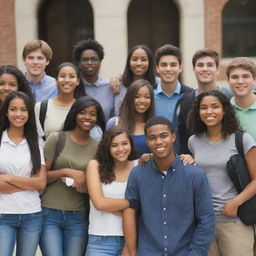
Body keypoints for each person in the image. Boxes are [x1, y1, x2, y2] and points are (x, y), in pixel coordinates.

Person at [123, 116, 215, 256]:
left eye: (164, 136)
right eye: (152, 138)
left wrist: (195, 253)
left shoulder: (195, 175)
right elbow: (131, 212)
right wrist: (132, 251)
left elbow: (206, 220)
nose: (158, 142)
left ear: (173, 136)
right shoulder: (137, 174)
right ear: (147, 141)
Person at [188, 90, 256, 256]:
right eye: (203, 108)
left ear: (224, 110)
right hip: (204, 223)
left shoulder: (242, 139)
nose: (209, 112)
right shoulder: (193, 141)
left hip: (235, 222)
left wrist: (235, 202)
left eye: (215, 106)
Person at [39, 96, 105, 256]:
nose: (87, 117)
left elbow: (99, 185)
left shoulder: (98, 147)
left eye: (92, 114)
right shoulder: (57, 138)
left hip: (78, 216)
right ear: (75, 114)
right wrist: (65, 171)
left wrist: (86, 188)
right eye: (83, 112)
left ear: (97, 118)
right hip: (49, 213)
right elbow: (40, 179)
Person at [0, 92, 46, 256]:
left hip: (31, 214)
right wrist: (28, 183)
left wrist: (8, 178)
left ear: (29, 113)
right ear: (6, 112)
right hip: (3, 214)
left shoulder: (35, 143)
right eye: (13, 109)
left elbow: (41, 183)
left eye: (23, 110)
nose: (18, 114)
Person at [86, 126, 137, 255]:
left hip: (132, 241)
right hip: (100, 240)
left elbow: (146, 206)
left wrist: (115, 207)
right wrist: (132, 204)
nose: (121, 149)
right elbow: (99, 203)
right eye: (114, 145)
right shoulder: (95, 166)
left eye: (125, 143)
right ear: (107, 147)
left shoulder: (139, 166)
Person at [175, 48, 232, 154]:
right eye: (200, 65)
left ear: (218, 69)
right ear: (193, 69)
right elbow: (181, 139)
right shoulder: (185, 101)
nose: (205, 69)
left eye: (210, 65)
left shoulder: (230, 97)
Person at [34, 62, 85, 139]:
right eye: (62, 76)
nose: (67, 80)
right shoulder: (41, 107)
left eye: (72, 76)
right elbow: (36, 139)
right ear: (56, 80)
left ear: (78, 81)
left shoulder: (83, 108)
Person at [106, 79, 154, 158]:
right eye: (137, 97)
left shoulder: (154, 125)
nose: (142, 101)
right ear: (129, 98)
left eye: (147, 97)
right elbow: (105, 153)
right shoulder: (114, 123)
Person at [72, 39, 114, 121]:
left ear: (100, 61)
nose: (90, 63)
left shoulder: (110, 86)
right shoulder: (73, 86)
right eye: (85, 60)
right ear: (79, 63)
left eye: (94, 59)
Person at [110, 44, 158, 115]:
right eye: (134, 59)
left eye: (143, 60)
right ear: (128, 62)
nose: (138, 63)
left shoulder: (159, 84)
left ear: (150, 62)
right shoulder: (118, 84)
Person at [154, 44, 192, 122]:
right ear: (157, 68)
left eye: (173, 65)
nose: (168, 69)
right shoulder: (149, 95)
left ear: (180, 68)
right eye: (164, 65)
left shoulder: (190, 95)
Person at [227, 57, 256, 141]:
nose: (240, 81)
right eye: (235, 77)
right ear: (228, 81)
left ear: (254, 80)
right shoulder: (224, 111)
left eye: (245, 76)